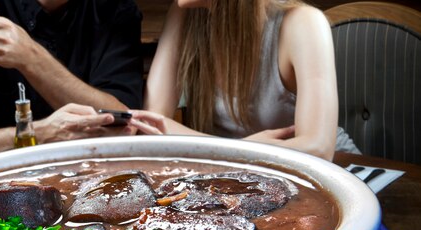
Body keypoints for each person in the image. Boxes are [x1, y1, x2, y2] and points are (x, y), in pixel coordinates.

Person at [0, 0, 145, 173]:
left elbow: (122, 125)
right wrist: (40, 135)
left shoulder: (115, 10)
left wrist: (31, 58)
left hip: (75, 188)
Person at [128, 0, 360, 161]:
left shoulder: (303, 22)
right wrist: (245, 150)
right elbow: (150, 125)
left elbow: (318, 149)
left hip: (335, 172)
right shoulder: (184, 16)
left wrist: (239, 152)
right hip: (243, 174)